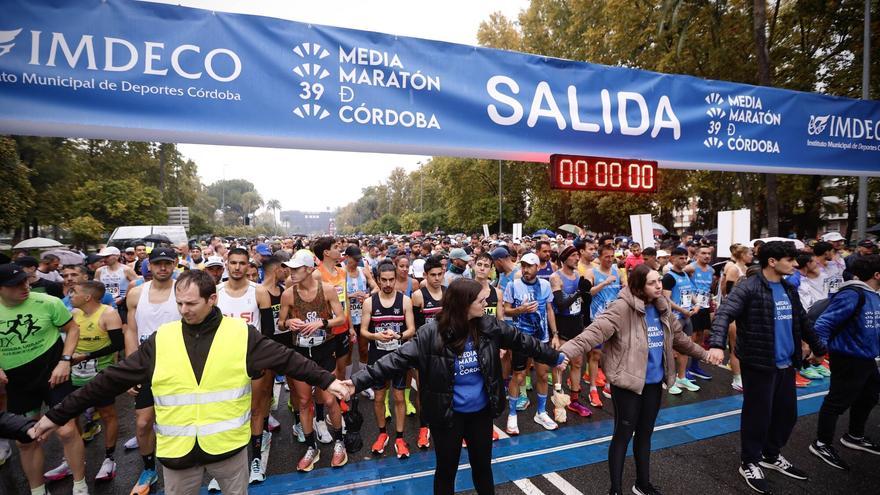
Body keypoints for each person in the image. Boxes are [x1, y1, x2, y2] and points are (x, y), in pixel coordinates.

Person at [31, 269, 352, 495]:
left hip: (229, 451)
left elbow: (288, 358)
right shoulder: (163, 339)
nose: (183, 310)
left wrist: (330, 381)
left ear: (212, 299)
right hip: (177, 456)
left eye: (191, 304)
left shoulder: (241, 335)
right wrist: (55, 415)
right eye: (179, 304)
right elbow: (109, 380)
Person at [351, 278, 566, 495]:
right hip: (447, 416)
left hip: (480, 414)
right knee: (446, 470)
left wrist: (555, 357)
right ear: (464, 304)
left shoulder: (488, 326)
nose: (485, 303)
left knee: (483, 468)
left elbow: (523, 341)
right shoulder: (430, 334)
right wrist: (354, 383)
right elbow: (394, 360)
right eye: (481, 300)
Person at [561, 264, 718, 495]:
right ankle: (615, 489)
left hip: (654, 383)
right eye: (652, 282)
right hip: (628, 383)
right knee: (623, 435)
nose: (659, 286)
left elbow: (679, 338)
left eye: (659, 281)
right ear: (638, 286)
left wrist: (705, 354)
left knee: (645, 434)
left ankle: (642, 484)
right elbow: (593, 333)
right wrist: (565, 351)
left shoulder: (662, 307)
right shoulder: (621, 308)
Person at [708, 241, 827, 495]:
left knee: (787, 415)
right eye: (790, 259)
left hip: (786, 363)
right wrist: (717, 344)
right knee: (757, 416)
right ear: (772, 262)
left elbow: (803, 320)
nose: (795, 264)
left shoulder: (787, 288)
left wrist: (819, 347)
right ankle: (749, 461)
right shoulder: (749, 287)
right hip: (759, 363)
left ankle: (771, 455)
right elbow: (724, 313)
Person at [0, 263, 88, 495]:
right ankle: (37, 490)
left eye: (25, 280)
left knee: (67, 431)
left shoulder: (48, 302)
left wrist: (65, 360)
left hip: (53, 376)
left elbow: (73, 329)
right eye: (16, 284)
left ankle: (80, 485)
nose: (24, 287)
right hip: (17, 382)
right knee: (26, 439)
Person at [278, 251, 348, 471]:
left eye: (296, 269)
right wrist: (289, 323)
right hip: (300, 352)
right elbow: (279, 323)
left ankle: (339, 443)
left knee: (329, 400)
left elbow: (341, 317)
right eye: (290, 269)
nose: (292, 272)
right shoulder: (288, 294)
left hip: (324, 350)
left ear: (308, 269)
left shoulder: (326, 290)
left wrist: (322, 323)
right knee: (304, 402)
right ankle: (311, 447)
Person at [809, 255, 880, 470]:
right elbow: (823, 324)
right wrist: (819, 351)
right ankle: (821, 444)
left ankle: (854, 436)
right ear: (877, 275)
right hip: (848, 357)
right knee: (837, 402)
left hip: (866, 358)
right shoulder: (852, 294)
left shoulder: (873, 295)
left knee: (869, 396)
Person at [123, 247, 180, 494]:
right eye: (158, 263)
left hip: (178, 365)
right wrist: (130, 369)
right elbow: (131, 331)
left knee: (178, 420)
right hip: (146, 366)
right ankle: (149, 468)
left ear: (175, 264)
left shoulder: (183, 290)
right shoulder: (136, 294)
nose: (163, 268)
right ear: (149, 265)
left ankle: (182, 466)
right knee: (144, 422)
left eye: (167, 263)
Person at [66, 280, 124, 482]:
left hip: (100, 373)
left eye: (75, 292)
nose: (70, 295)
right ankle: (72, 457)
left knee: (107, 414)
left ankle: (109, 458)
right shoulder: (74, 314)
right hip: (75, 373)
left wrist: (87, 355)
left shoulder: (108, 314)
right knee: (71, 416)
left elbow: (118, 344)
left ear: (87, 297)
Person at [360, 262, 417, 458]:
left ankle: (400, 437)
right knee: (378, 397)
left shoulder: (405, 301)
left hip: (398, 356)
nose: (388, 283)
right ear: (377, 280)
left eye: (391, 279)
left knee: (399, 397)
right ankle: (382, 433)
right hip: (377, 356)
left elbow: (411, 329)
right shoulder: (369, 302)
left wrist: (398, 336)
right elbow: (363, 331)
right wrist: (376, 337)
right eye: (383, 280)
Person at [503, 252, 558, 433]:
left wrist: (555, 334)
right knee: (518, 376)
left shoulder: (545, 285)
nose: (525, 269)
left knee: (543, 375)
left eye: (529, 266)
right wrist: (520, 309)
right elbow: (506, 311)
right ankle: (512, 415)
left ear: (537, 267)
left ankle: (541, 412)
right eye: (523, 266)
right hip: (521, 339)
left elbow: (549, 310)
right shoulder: (513, 285)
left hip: (541, 338)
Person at [549, 246, 592, 417]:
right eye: (574, 255)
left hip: (576, 324)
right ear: (565, 258)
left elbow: (584, 303)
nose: (577, 258)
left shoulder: (578, 277)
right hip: (562, 325)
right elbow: (560, 304)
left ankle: (574, 401)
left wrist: (586, 292)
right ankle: (558, 403)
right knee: (559, 366)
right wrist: (578, 292)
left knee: (577, 364)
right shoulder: (555, 277)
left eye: (578, 255)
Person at [583, 245, 621, 407]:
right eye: (607, 256)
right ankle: (592, 389)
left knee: (611, 353)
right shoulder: (592, 272)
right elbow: (588, 293)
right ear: (600, 257)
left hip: (614, 319)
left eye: (612, 256)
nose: (610, 259)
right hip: (597, 320)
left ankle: (608, 385)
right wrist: (604, 283)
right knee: (595, 355)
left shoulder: (616, 271)